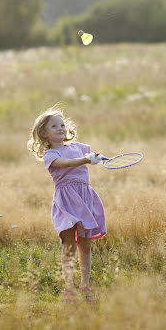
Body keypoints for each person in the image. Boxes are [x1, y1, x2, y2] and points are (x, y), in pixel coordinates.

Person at [27, 107, 106, 303]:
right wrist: (85, 160)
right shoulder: (50, 155)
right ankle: (68, 288)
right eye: (54, 126)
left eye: (62, 125)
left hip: (85, 198)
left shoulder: (77, 147)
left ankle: (85, 286)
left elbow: (86, 155)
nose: (61, 128)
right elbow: (66, 163)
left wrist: (95, 157)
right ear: (44, 133)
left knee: (85, 246)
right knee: (68, 245)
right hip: (67, 202)